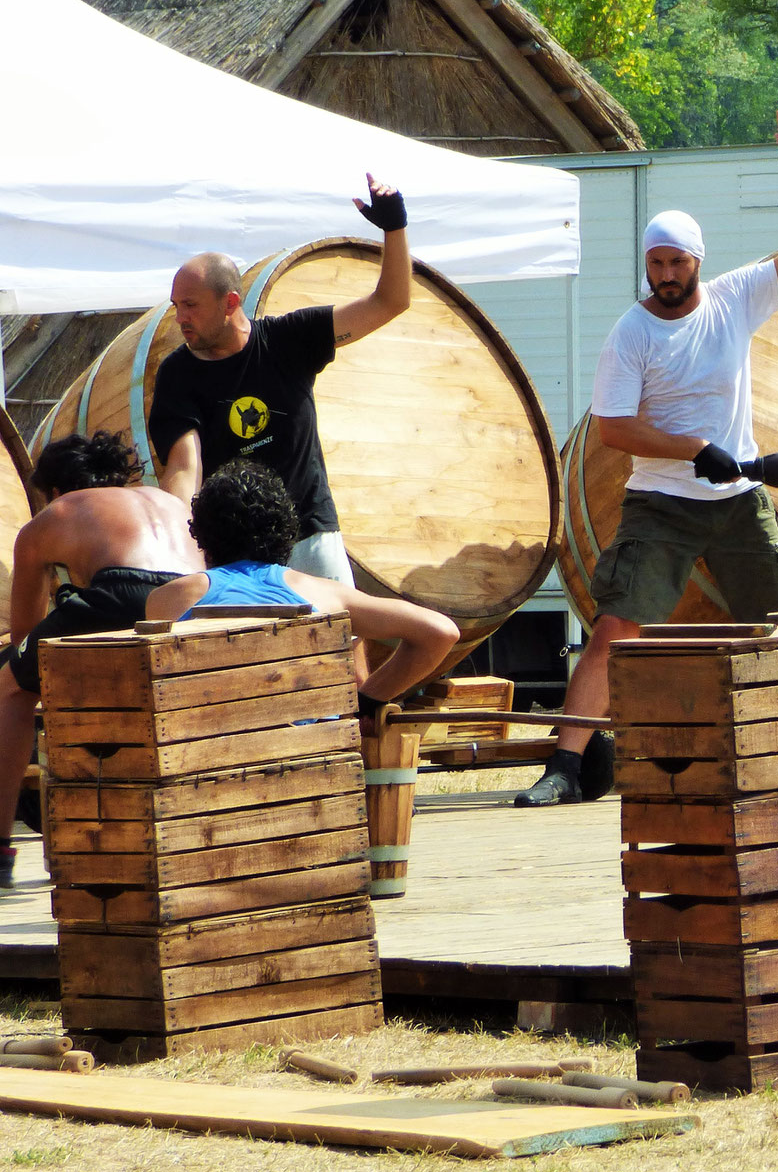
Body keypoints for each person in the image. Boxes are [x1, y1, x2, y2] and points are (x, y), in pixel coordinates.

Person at [516, 105, 778, 809]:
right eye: (656, 262)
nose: (665, 274)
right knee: (615, 628)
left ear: (697, 261)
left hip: (739, 502)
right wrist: (693, 448)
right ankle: (565, 768)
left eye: (676, 262)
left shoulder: (735, 300)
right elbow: (614, 430)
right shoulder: (630, 335)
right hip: (662, 504)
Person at [149, 174, 413, 581]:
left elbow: (391, 302)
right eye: (175, 305)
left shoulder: (290, 339)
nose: (180, 317)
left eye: (190, 305)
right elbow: (185, 468)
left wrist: (395, 227)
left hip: (311, 537)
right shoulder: (177, 374)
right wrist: (179, 547)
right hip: (234, 558)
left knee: (344, 638)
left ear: (230, 302)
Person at [1, 433, 202, 888]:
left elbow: (24, 638)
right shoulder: (167, 501)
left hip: (122, 586)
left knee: (10, 685)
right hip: (195, 594)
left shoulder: (57, 513)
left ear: (53, 490)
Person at [145, 462, 461, 716]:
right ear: (286, 530)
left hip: (205, 764)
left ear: (201, 534)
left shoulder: (167, 600)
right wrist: (366, 703)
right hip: (309, 758)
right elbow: (440, 632)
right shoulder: (326, 595)